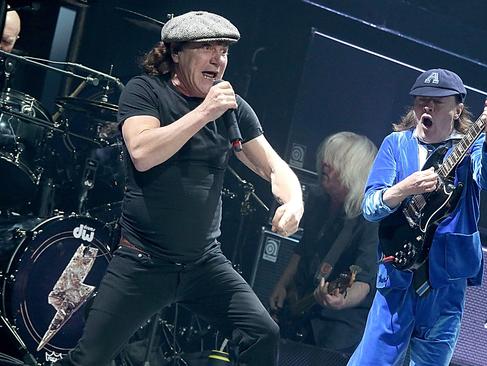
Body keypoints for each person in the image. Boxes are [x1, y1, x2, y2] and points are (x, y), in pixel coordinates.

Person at [56, 11, 304, 366]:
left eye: (224, 51)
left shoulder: (231, 109)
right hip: (143, 261)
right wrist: (204, 112)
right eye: (207, 48)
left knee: (263, 333)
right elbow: (142, 152)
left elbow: (274, 166)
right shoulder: (145, 91)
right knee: (89, 359)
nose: (219, 59)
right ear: (175, 53)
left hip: (203, 263)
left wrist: (294, 200)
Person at [347, 69, 487, 365]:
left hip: (446, 279)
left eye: (437, 102)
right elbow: (369, 206)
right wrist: (401, 190)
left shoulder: (471, 148)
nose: (427, 107)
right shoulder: (396, 144)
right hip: (398, 274)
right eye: (421, 101)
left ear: (457, 109)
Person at [269, 131, 379, 355]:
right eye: (325, 157)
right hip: (300, 307)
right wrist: (283, 284)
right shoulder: (318, 199)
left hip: (338, 326)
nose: (325, 164)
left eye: (335, 160)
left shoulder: (369, 218)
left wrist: (342, 301)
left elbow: (366, 280)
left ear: (353, 170)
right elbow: (303, 248)